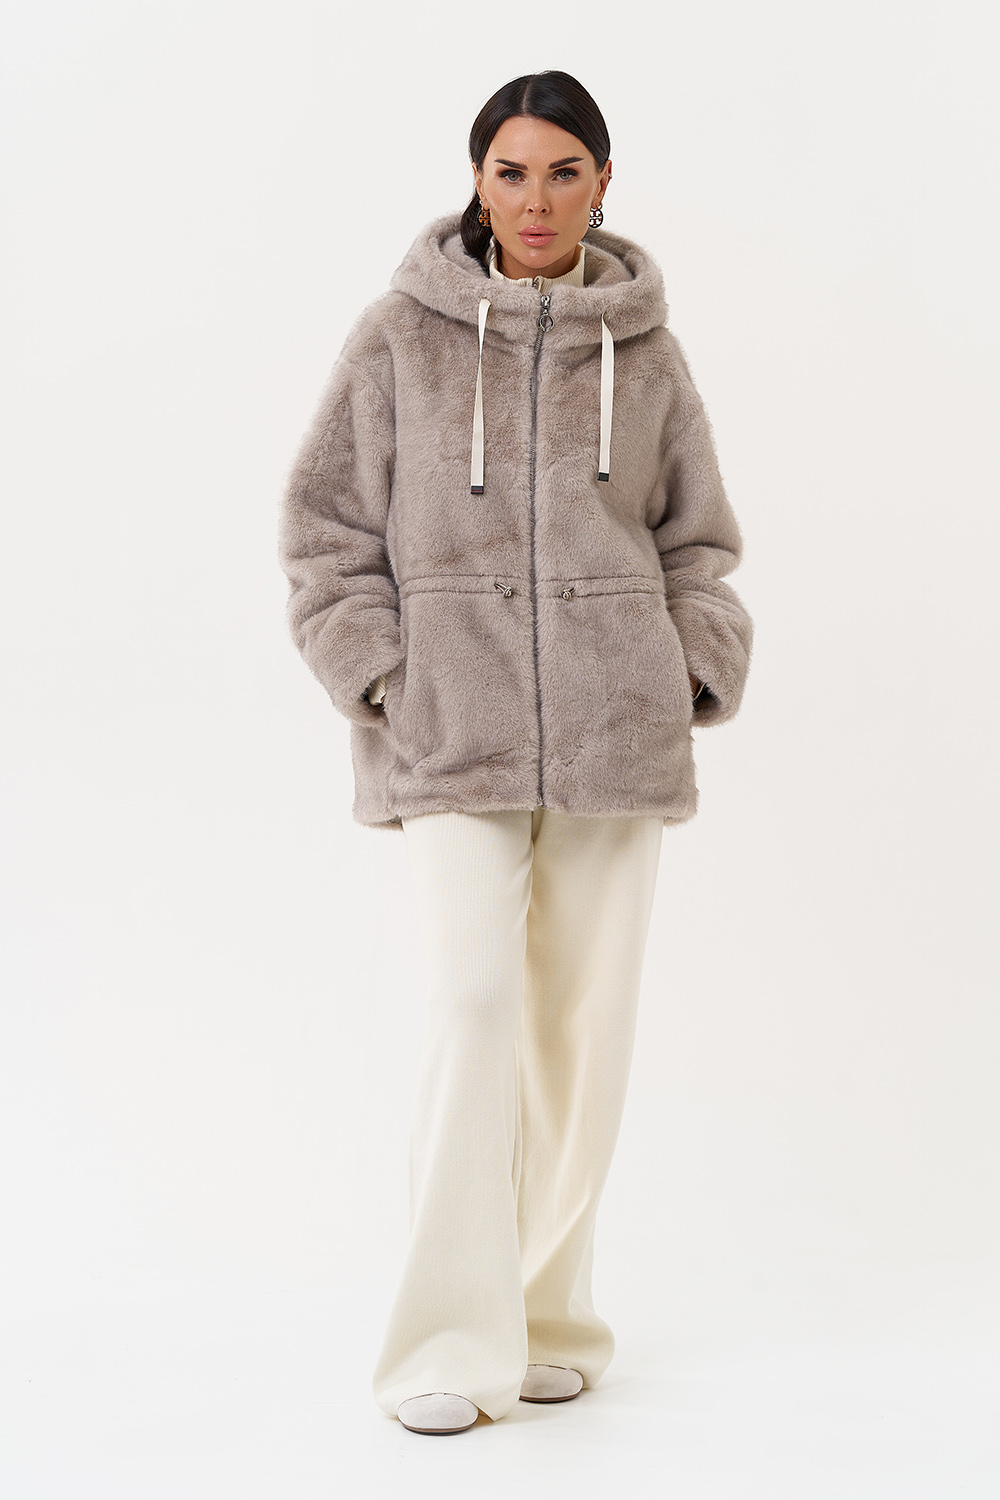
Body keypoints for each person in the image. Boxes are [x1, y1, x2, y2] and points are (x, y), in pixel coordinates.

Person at [278, 70, 753, 1435]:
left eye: (562, 172)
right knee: (478, 1005)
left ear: (603, 184)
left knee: (581, 1035)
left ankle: (551, 1318)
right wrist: (383, 675)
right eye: (510, 171)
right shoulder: (400, 337)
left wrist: (692, 668)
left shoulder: (648, 354)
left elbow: (698, 545)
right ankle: (444, 1343)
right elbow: (323, 531)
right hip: (452, 731)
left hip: (616, 733)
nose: (535, 200)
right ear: (477, 183)